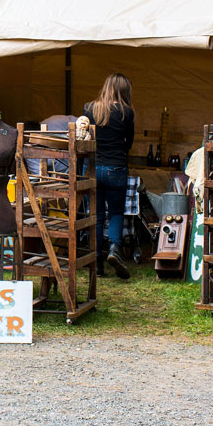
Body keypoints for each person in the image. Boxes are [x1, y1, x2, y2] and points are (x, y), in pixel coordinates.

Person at [82, 73, 135, 279]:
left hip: (94, 167)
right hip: (116, 168)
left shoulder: (89, 108)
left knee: (96, 216)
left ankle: (96, 261)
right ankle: (114, 249)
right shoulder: (126, 112)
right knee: (116, 213)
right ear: (124, 91)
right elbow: (129, 142)